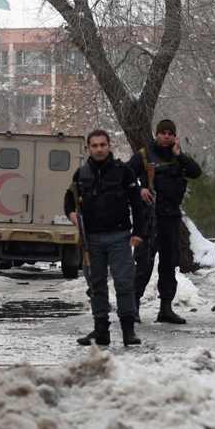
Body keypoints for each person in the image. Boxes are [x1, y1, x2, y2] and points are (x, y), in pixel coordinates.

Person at [63, 130, 147, 347]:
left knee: (124, 283)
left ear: (109, 146)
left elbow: (138, 205)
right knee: (96, 285)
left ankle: (128, 331)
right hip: (92, 240)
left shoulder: (123, 172)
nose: (99, 149)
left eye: (103, 145)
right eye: (94, 145)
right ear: (88, 148)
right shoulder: (81, 174)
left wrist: (139, 233)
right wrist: (72, 214)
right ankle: (101, 330)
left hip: (119, 237)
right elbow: (69, 200)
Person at [127, 119, 202, 324]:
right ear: (157, 134)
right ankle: (133, 307)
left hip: (170, 217)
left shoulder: (178, 157)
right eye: (163, 133)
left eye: (170, 133)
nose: (166, 136)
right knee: (143, 264)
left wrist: (179, 154)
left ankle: (166, 308)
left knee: (169, 264)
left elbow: (196, 172)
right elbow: (124, 176)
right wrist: (139, 189)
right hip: (149, 218)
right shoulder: (143, 155)